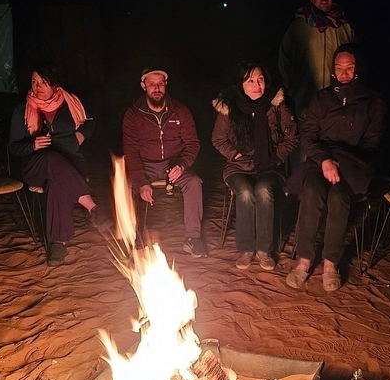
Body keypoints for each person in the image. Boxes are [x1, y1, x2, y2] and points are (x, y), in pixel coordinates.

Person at [285, 46, 385, 291]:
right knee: (311, 189)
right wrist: (325, 160)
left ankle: (331, 262)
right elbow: (308, 136)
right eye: (339, 68)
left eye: (349, 68)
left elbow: (372, 143)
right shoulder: (321, 99)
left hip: (353, 167)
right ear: (333, 70)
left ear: (358, 69)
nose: (344, 73)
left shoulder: (373, 102)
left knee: (340, 197)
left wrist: (344, 161)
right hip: (321, 163)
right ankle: (305, 258)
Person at [9, 63, 101, 267]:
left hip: (69, 162)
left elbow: (91, 120)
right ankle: (93, 208)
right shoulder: (22, 109)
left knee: (57, 182)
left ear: (54, 84)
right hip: (35, 165)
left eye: (43, 82)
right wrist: (31, 145)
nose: (38, 86)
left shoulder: (70, 103)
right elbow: (13, 147)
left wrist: (80, 136)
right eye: (34, 82)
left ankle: (58, 243)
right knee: (50, 160)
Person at [212, 62, 297, 271]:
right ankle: (247, 248)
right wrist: (236, 154)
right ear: (241, 84)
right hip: (238, 165)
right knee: (245, 192)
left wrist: (276, 157)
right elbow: (218, 139)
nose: (256, 84)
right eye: (250, 80)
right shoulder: (229, 107)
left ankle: (264, 250)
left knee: (264, 190)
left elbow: (291, 137)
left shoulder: (276, 104)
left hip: (269, 165)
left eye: (260, 79)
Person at [122, 67, 206, 257]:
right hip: (145, 165)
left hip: (174, 163)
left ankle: (193, 238)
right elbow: (131, 151)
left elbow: (193, 144)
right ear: (143, 85)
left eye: (160, 83)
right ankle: (138, 237)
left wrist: (182, 165)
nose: (156, 88)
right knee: (131, 185)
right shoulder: (133, 115)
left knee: (193, 182)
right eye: (151, 84)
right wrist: (142, 181)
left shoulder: (180, 111)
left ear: (166, 84)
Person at [279, 0, 356, 118]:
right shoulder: (298, 27)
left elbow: (356, 63)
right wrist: (290, 88)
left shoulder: (344, 27)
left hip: (337, 107)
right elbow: (285, 61)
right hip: (304, 105)